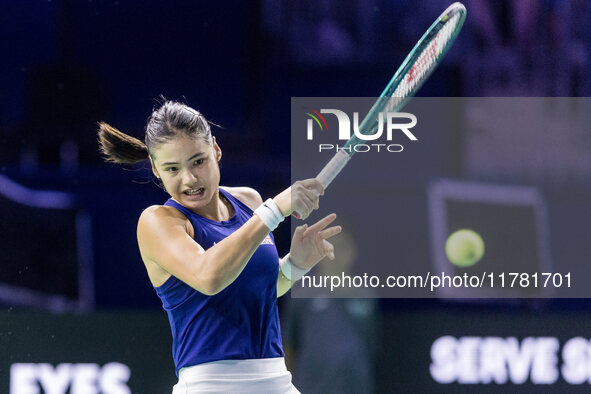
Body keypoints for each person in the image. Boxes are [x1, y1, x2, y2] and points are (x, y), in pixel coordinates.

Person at [97, 100, 341, 393]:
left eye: (198, 161)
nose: (189, 179)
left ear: (216, 149)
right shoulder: (158, 222)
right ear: (155, 169)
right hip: (211, 385)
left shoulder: (249, 202)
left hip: (276, 381)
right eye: (172, 169)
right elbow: (209, 277)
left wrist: (294, 266)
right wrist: (274, 210)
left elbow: (255, 287)